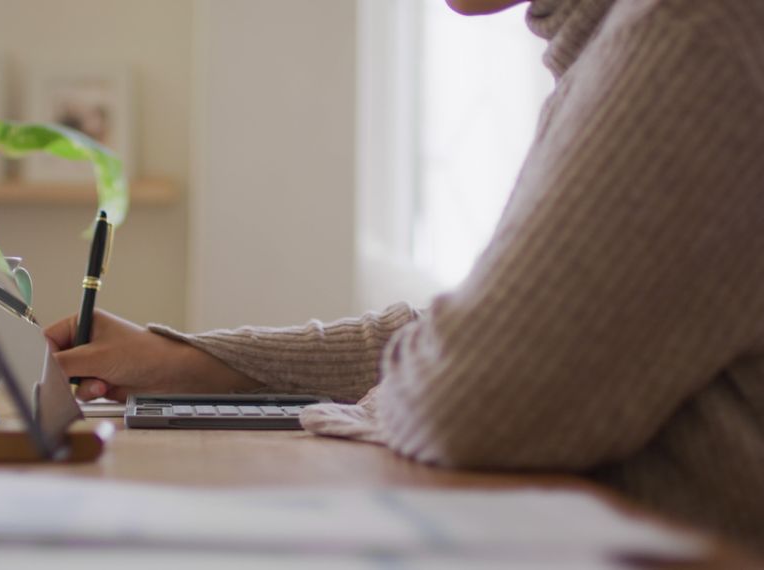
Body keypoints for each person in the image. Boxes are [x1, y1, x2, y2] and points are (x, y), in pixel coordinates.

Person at [46, 0, 764, 553]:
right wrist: (182, 360)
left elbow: (476, 397)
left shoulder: (690, 33)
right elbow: (456, 342)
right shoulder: (620, 50)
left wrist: (424, 381)